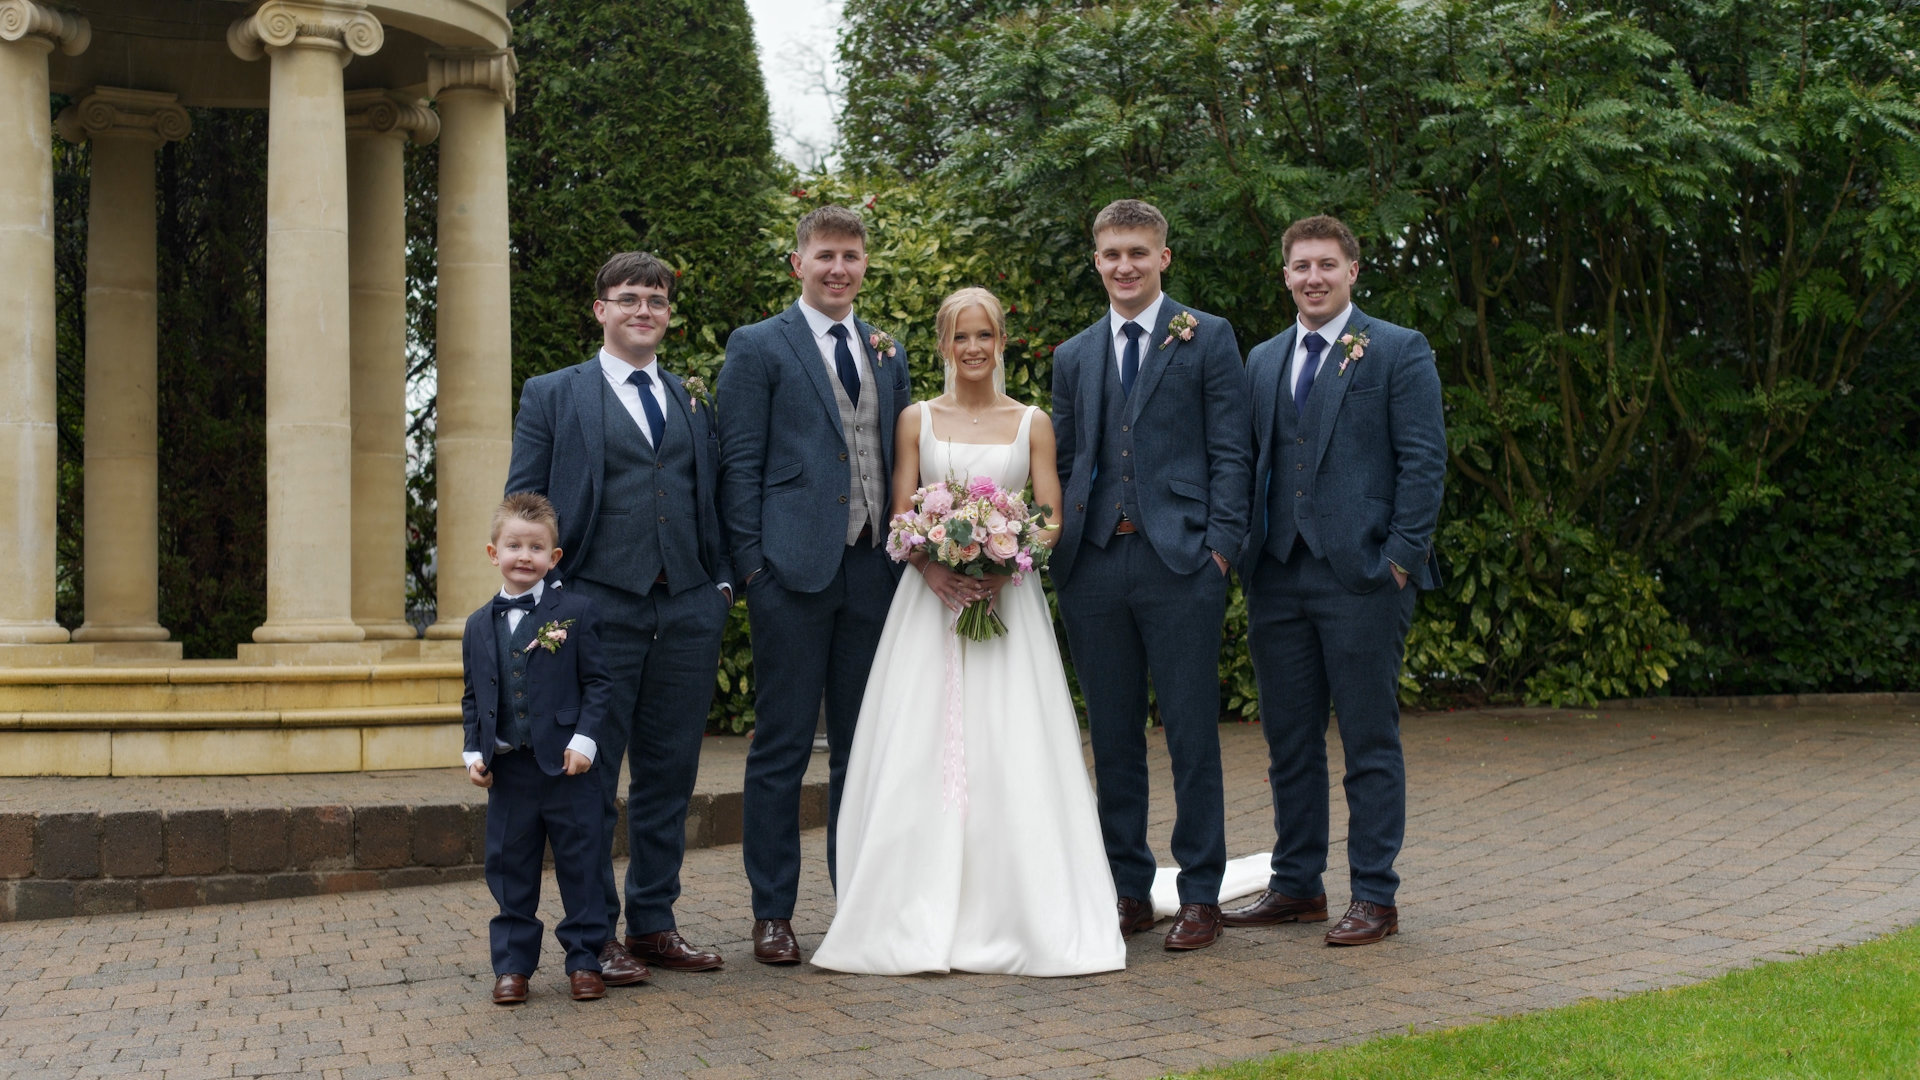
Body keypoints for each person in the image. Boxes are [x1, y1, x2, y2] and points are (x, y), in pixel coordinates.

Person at [811, 288, 1126, 977]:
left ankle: (1018, 908)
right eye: (961, 336)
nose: (974, 348)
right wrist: (934, 567)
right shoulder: (916, 419)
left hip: (1008, 602)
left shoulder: (1032, 422)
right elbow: (901, 513)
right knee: (920, 744)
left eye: (985, 335)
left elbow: (1050, 514)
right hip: (929, 606)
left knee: (1014, 741)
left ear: (1001, 341)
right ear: (944, 345)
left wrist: (1008, 558)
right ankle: (910, 906)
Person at [504, 251, 733, 982]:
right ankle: (594, 934)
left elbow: (713, 496)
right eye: (629, 298)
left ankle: (654, 924)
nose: (644, 310)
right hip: (594, 609)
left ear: (668, 314)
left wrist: (721, 586)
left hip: (687, 607)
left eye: (656, 300)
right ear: (600, 309)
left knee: (670, 775)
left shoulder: (692, 397)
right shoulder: (552, 393)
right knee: (589, 783)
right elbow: (525, 501)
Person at [1225, 214, 1445, 945]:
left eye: (1326, 265)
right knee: (1289, 741)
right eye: (1301, 266)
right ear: (1285, 275)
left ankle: (1375, 895)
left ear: (1353, 270)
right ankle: (1297, 885)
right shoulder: (1262, 358)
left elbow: (1424, 461)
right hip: (1277, 575)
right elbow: (1251, 459)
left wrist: (1399, 560)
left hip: (1363, 577)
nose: (1313, 278)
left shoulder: (1397, 349)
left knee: (1368, 741)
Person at [1050, 199, 1253, 951]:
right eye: (1112, 254)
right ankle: (1128, 890)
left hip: (1182, 564)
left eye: (1138, 252)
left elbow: (1233, 451)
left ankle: (1200, 895)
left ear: (1163, 257)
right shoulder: (1074, 355)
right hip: (1095, 566)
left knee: (1192, 734)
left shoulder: (1208, 336)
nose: (1125, 265)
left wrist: (1219, 550)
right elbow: (1064, 460)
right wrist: (1058, 547)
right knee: (1113, 739)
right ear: (1096, 260)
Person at [717, 206, 911, 965]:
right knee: (783, 747)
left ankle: (856, 906)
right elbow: (739, 463)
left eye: (851, 256)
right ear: (798, 263)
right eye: (825, 255)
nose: (839, 268)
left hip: (873, 572)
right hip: (789, 575)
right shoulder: (758, 344)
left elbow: (896, 455)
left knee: (864, 750)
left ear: (865, 265)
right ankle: (773, 914)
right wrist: (753, 570)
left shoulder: (886, 348)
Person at [461, 492, 613, 1004]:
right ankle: (512, 966)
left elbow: (598, 684)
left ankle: (586, 959)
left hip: (569, 769)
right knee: (509, 869)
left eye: (536, 547)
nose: (524, 556)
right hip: (509, 771)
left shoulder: (576, 612)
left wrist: (585, 741)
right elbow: (473, 695)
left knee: (582, 865)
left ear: (554, 556)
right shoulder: (477, 624)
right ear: (493, 553)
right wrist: (473, 752)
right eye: (513, 546)